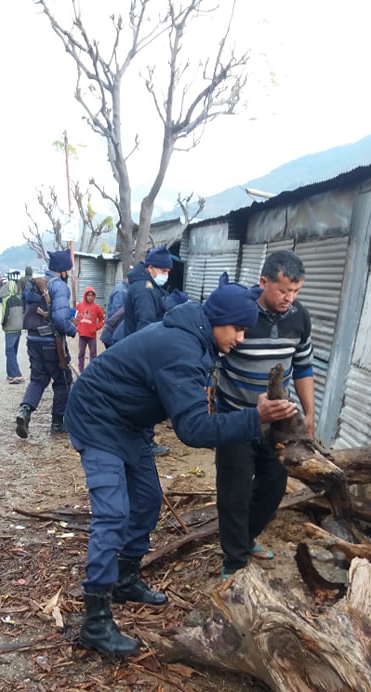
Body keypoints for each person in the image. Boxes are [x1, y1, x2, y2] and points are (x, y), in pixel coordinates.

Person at [65, 273, 297, 656]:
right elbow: (192, 429)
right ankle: (96, 618)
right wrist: (255, 417)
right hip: (96, 418)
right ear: (218, 319)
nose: (241, 338)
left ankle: (125, 578)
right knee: (113, 513)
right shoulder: (181, 349)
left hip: (128, 422)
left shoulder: (199, 338)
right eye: (238, 329)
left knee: (148, 498)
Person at [215, 250, 314, 578]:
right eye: (284, 290)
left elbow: (303, 366)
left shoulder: (300, 317)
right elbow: (213, 354)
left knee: (274, 484)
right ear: (263, 282)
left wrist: (310, 414)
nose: (290, 298)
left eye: (296, 291)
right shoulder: (240, 312)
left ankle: (245, 537)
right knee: (235, 491)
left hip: (275, 425)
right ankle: (233, 561)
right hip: (236, 418)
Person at [15, 249, 77, 438]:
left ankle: (25, 411)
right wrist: (73, 329)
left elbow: (29, 308)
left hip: (32, 339)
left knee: (38, 379)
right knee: (63, 380)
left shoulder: (32, 283)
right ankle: (57, 423)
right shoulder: (59, 286)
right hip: (52, 341)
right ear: (63, 270)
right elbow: (58, 318)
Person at [121, 245, 174, 455]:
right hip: (142, 354)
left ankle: (141, 439)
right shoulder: (145, 290)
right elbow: (146, 326)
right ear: (151, 268)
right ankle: (145, 441)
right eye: (164, 270)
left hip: (135, 350)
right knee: (145, 397)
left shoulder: (144, 286)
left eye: (168, 271)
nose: (166, 275)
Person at [1, 268, 27, 384]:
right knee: (13, 351)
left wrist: (3, 324)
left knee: (9, 351)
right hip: (18, 328)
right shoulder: (19, 299)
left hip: (10, 329)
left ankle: (17, 375)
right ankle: (10, 374)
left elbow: (5, 316)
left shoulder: (7, 300)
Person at [75, 285, 105, 371]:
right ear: (85, 295)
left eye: (92, 295)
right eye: (88, 295)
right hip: (82, 335)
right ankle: (81, 370)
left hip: (92, 336)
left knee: (93, 354)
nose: (90, 297)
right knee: (81, 353)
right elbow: (74, 318)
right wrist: (77, 327)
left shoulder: (97, 308)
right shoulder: (79, 306)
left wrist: (96, 327)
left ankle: (91, 372)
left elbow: (102, 319)